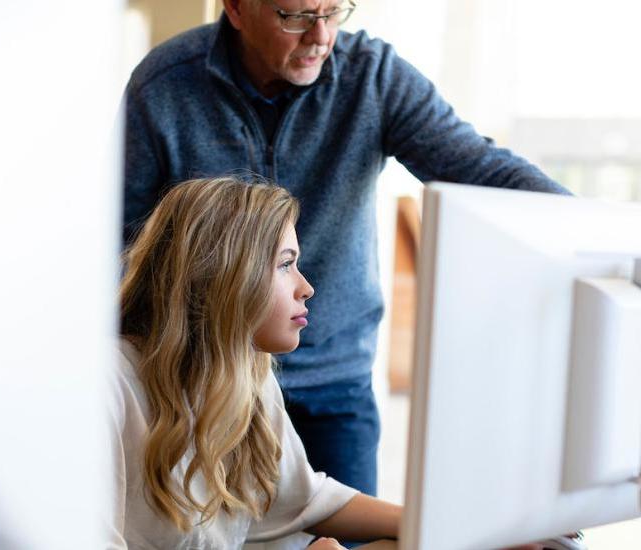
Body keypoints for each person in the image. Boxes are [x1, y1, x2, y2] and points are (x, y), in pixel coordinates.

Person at [123, 0, 572, 496]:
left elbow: (483, 171)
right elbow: (124, 245)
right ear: (235, 9)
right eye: (294, 17)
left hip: (333, 383)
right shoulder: (164, 87)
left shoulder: (373, 78)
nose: (321, 36)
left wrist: (594, 233)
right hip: (204, 380)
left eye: (334, 11)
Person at [110, 177, 401, 549]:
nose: (306, 287)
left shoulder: (248, 376)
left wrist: (429, 523)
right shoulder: (110, 383)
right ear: (224, 272)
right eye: (285, 265)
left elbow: (304, 500)